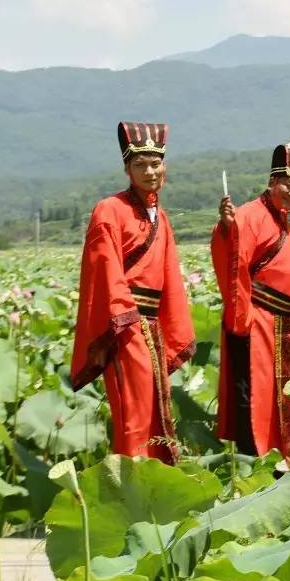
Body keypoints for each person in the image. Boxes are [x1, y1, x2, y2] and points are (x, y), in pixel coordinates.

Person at [71, 122, 195, 462]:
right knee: (133, 414)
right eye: (140, 165)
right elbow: (104, 269)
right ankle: (130, 487)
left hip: (153, 326)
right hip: (125, 325)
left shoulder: (161, 216)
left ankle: (156, 487)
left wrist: (172, 331)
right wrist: (127, 320)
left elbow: (169, 277)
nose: (150, 171)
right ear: (127, 169)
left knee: (156, 408)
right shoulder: (109, 210)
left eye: (155, 163)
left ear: (165, 166)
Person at [211, 143, 290, 457]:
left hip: (285, 323)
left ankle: (280, 453)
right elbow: (233, 263)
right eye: (289, 186)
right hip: (258, 320)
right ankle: (253, 456)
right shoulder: (249, 215)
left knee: (278, 394)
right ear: (272, 181)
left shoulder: (283, 219)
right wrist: (228, 231)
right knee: (256, 391)